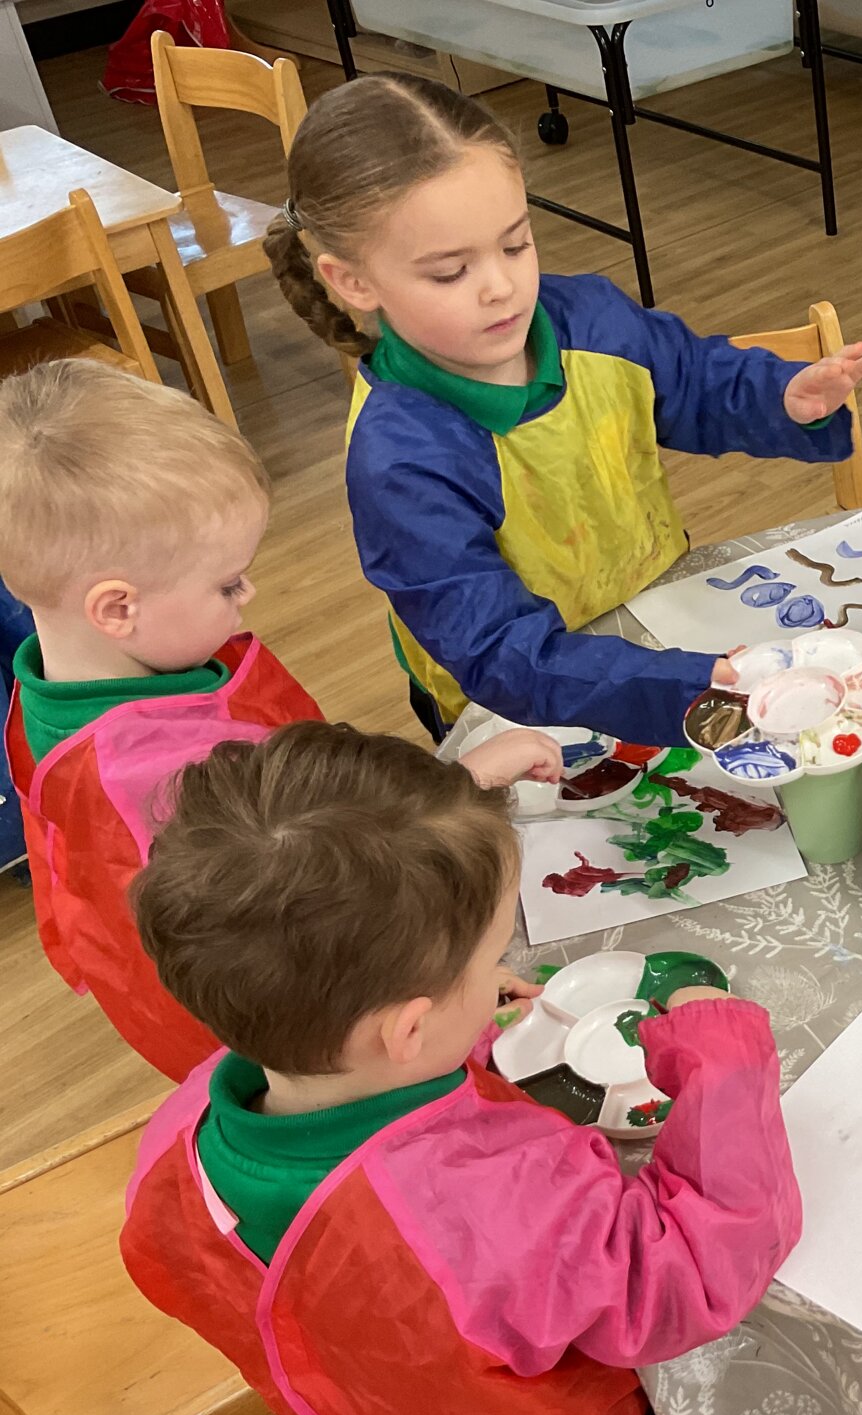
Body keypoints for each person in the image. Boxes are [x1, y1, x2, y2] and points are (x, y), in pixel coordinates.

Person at [121, 722, 800, 1415]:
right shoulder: (493, 1198)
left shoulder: (176, 1133)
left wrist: (463, 1028)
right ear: (404, 1031)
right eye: (487, 962)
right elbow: (684, 1279)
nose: (499, 975)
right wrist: (725, 1067)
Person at [265, 72, 862, 744]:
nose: (501, 287)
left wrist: (781, 396)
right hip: (520, 704)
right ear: (352, 281)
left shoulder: (590, 316)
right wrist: (685, 686)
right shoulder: (403, 460)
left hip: (658, 613)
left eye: (515, 243)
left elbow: (694, 380)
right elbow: (501, 653)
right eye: (450, 272)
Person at [0, 362, 559, 1081]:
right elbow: (323, 904)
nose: (250, 592)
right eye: (227, 582)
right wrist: (460, 788)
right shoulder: (152, 779)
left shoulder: (60, 670)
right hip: (306, 1032)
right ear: (117, 608)